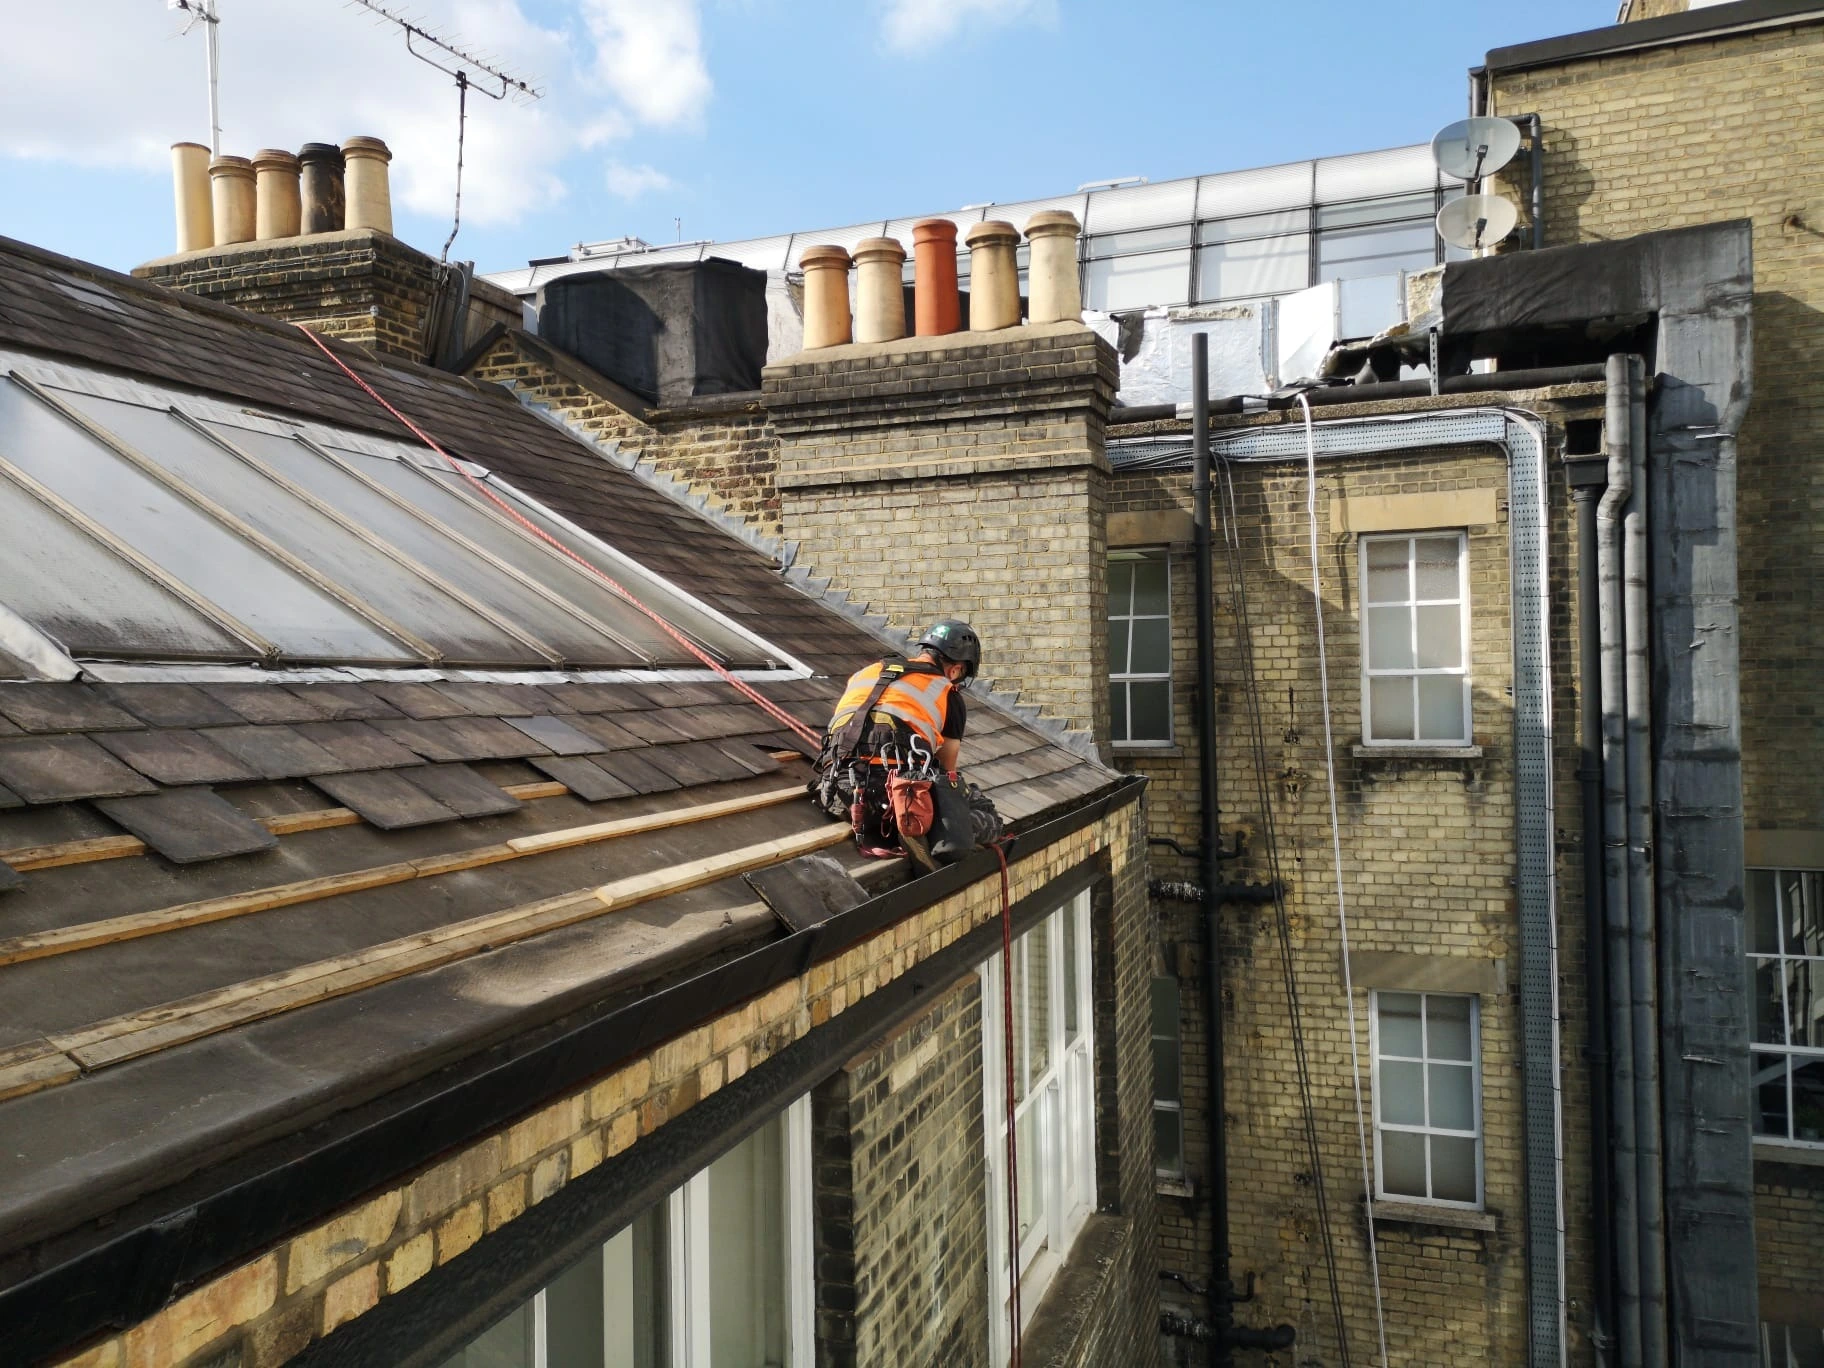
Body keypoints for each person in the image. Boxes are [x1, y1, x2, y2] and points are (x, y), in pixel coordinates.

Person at [815, 621, 999, 868]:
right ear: (956, 670)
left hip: (836, 791)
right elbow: (947, 774)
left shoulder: (867, 672)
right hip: (895, 798)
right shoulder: (946, 691)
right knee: (985, 811)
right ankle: (921, 829)